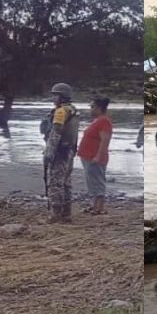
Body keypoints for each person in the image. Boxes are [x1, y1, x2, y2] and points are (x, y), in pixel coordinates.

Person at [44, 82, 80, 223]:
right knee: (66, 183)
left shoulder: (60, 112)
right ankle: (66, 214)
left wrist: (49, 153)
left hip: (59, 152)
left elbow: (55, 133)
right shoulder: (73, 110)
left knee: (55, 183)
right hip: (69, 150)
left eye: (56, 95)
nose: (53, 98)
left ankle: (55, 214)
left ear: (62, 96)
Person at [77, 97, 112, 215]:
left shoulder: (104, 121)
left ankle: (100, 207)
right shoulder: (97, 120)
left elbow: (105, 140)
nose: (90, 110)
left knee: (98, 181)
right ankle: (94, 205)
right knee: (91, 181)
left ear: (99, 108)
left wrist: (98, 156)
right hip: (88, 156)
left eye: (92, 107)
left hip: (95, 157)